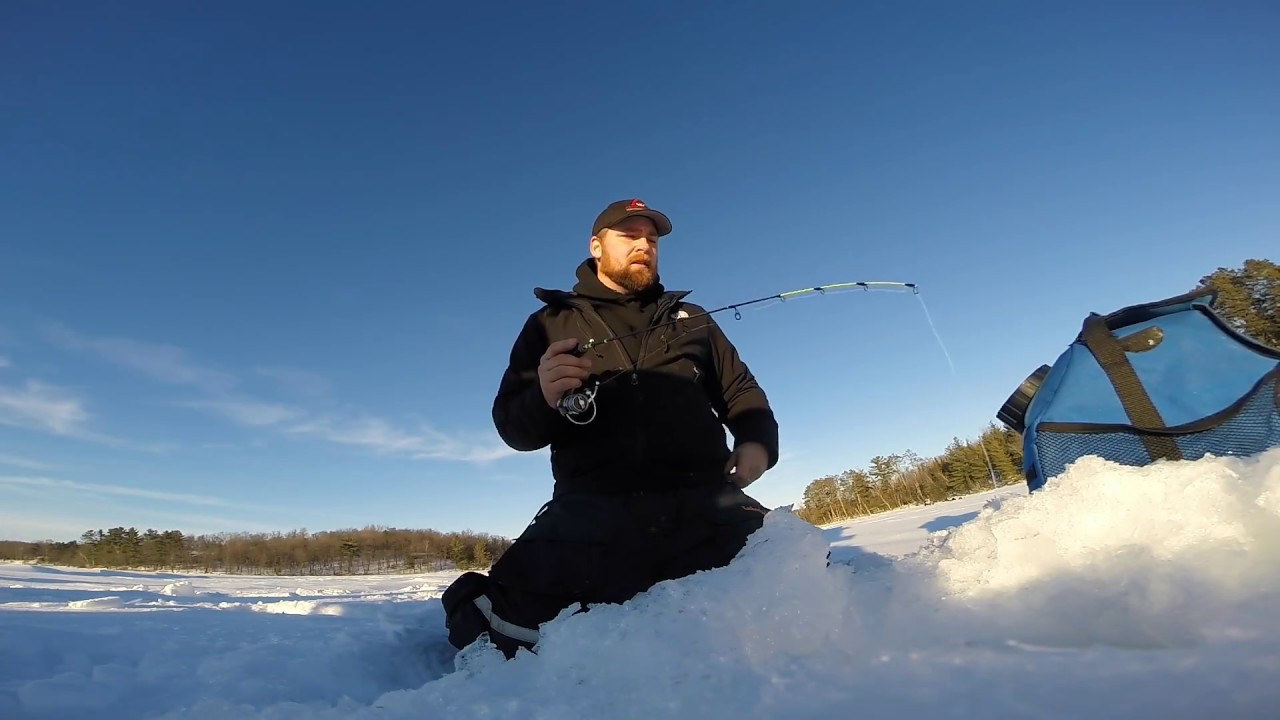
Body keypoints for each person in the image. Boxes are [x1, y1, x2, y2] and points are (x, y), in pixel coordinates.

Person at [441, 198, 780, 658]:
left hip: (704, 497)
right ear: (597, 246)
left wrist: (757, 443)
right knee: (497, 627)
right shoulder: (547, 323)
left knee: (800, 577)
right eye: (630, 235)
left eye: (652, 239)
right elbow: (513, 429)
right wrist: (543, 396)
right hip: (592, 509)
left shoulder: (693, 320)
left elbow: (741, 392)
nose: (644, 245)